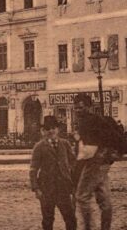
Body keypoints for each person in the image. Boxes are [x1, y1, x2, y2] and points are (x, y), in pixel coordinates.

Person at [73, 93, 126, 230]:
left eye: (81, 107)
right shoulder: (101, 119)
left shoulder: (87, 122)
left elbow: (89, 151)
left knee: (82, 197)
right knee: (105, 201)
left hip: (94, 163)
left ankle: (89, 228)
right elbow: (114, 137)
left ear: (89, 107)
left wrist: (78, 143)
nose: (78, 111)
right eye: (76, 108)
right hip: (104, 164)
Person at [29, 115, 77, 230]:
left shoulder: (65, 144)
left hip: (64, 188)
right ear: (43, 131)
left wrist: (75, 184)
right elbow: (33, 169)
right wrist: (36, 188)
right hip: (46, 189)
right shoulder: (39, 147)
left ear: (58, 129)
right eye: (47, 129)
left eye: (53, 128)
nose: (51, 131)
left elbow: (74, 164)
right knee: (48, 219)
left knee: (70, 218)